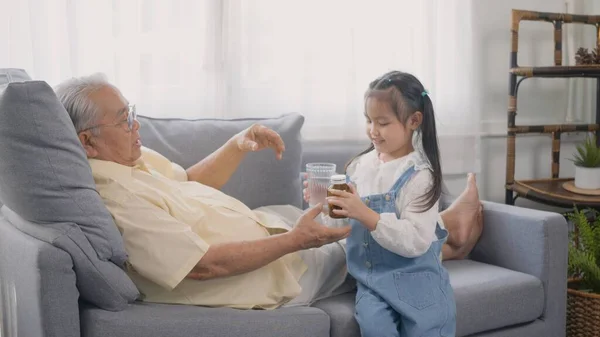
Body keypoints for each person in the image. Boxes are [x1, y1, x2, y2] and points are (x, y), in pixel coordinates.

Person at [54, 73, 481, 312]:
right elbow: (200, 266)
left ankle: (434, 225)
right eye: (124, 119)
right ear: (87, 141)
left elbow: (187, 182)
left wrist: (237, 144)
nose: (136, 125)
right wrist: (294, 240)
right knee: (359, 243)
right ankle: (450, 238)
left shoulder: (129, 159)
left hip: (270, 230)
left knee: (332, 213)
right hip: (276, 270)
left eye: (132, 112)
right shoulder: (114, 199)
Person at [322, 70, 459, 336]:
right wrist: (322, 203)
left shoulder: (420, 176)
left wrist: (366, 214)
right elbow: (340, 226)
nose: (373, 130)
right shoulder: (360, 167)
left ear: (413, 121)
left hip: (418, 280)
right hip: (372, 283)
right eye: (369, 120)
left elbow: (417, 240)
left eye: (383, 122)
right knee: (375, 327)